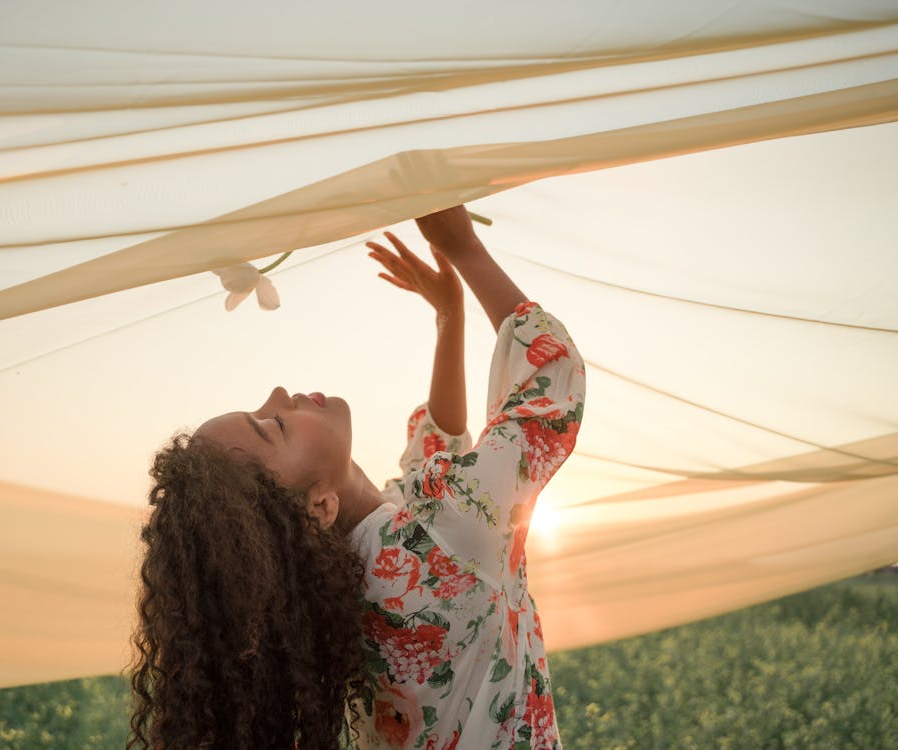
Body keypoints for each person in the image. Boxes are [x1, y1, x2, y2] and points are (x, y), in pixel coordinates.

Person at [128, 205, 586, 750]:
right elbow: (552, 377)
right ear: (316, 507)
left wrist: (449, 316)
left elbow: (432, 459)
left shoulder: (356, 586)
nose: (280, 394)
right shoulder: (436, 536)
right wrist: (464, 249)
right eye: (274, 426)